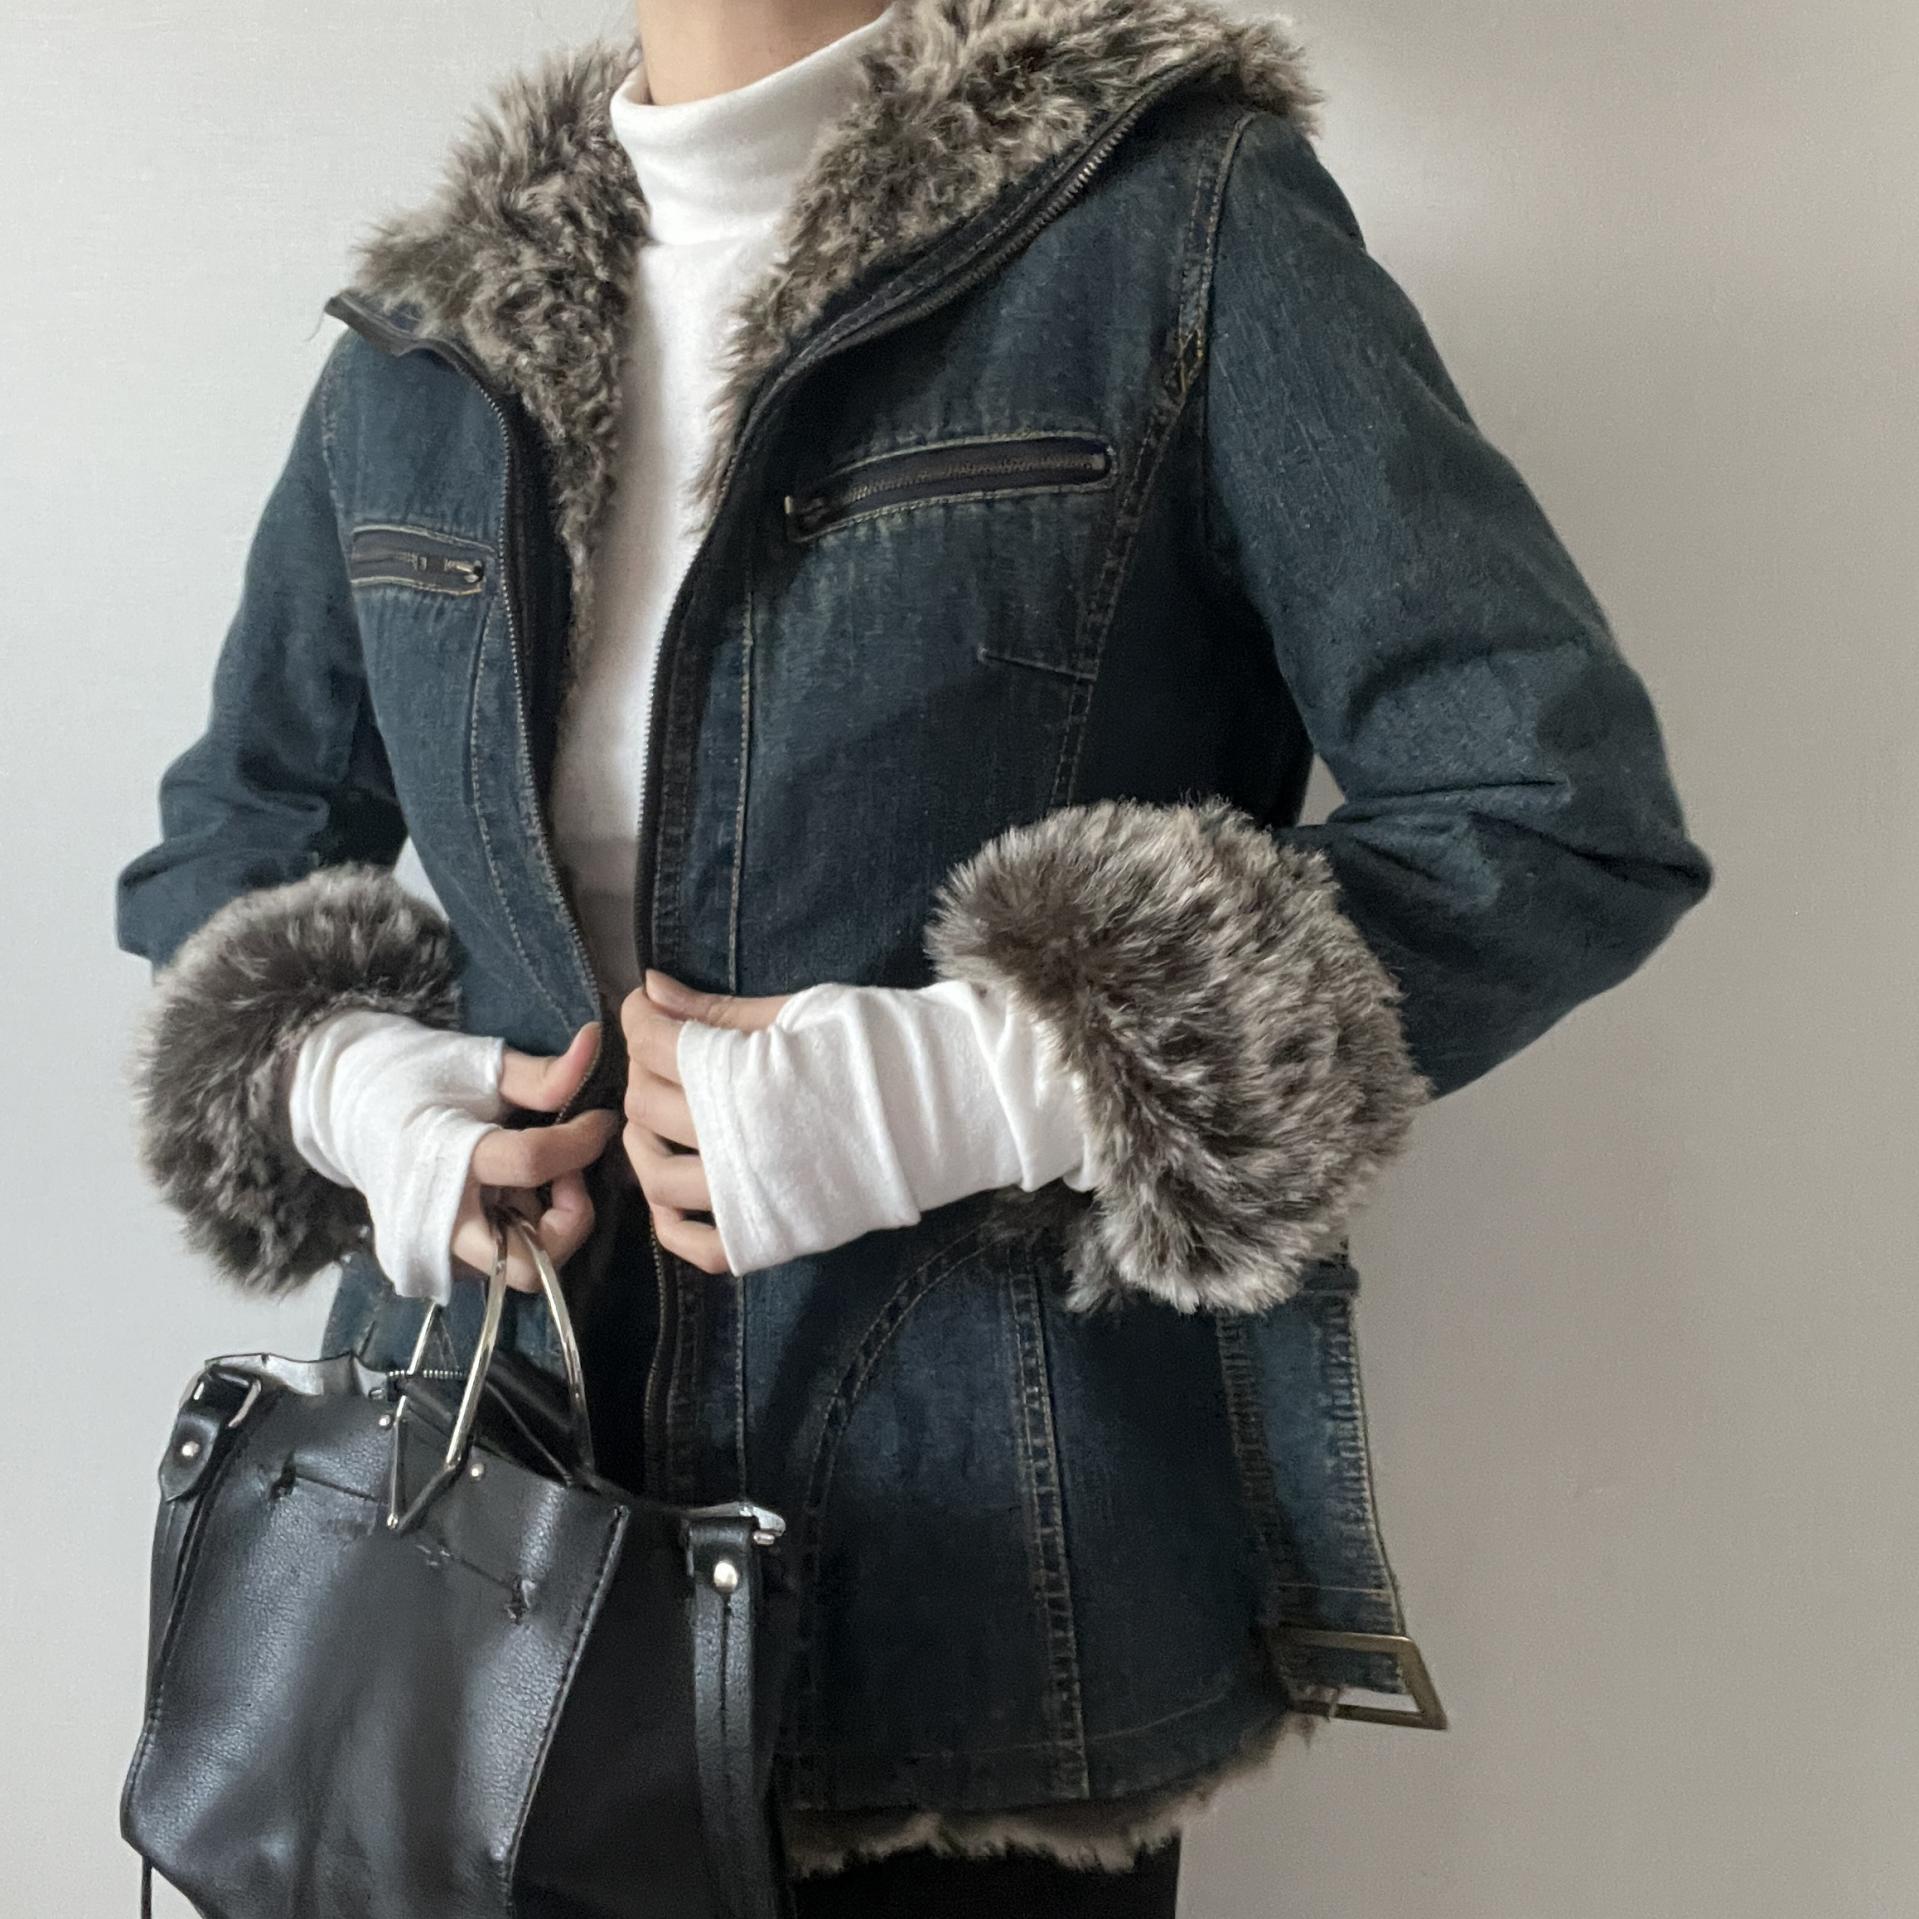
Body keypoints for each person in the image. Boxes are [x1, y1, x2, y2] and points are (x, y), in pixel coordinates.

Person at [113, 0, 1715, 1910]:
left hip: (976, 1612)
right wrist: (359, 1088)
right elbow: (231, 839)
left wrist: (984, 1078)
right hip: (457, 1575)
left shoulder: (1168, 226)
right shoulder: (425, 341)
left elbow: (1551, 814)